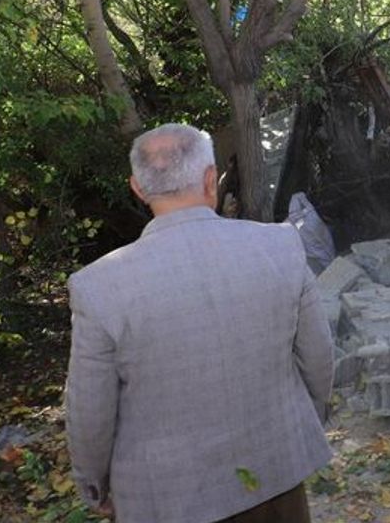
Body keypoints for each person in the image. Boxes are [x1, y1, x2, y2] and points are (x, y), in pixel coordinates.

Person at [66, 123, 334, 523]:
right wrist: (302, 422)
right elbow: (319, 357)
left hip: (167, 500)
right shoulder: (280, 246)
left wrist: (95, 484)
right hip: (276, 477)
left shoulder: (99, 286)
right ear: (212, 180)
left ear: (137, 189)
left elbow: (90, 412)